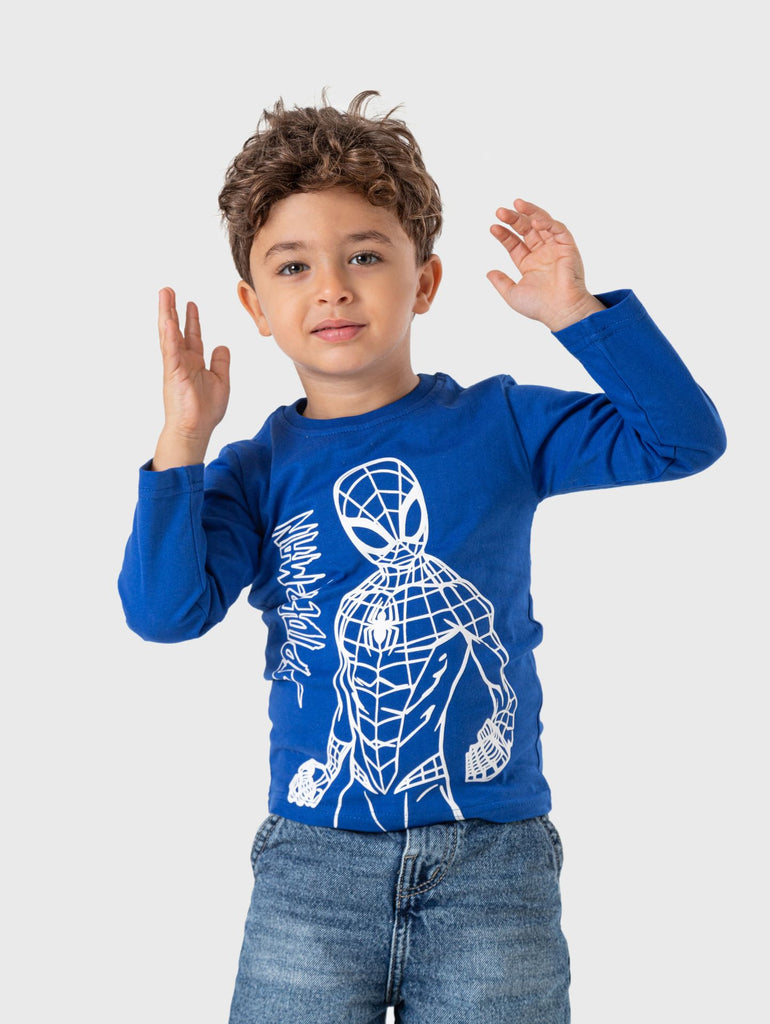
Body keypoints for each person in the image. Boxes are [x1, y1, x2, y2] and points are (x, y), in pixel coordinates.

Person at [118, 91, 726, 1023]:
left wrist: (577, 314)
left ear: (426, 281)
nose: (332, 287)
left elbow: (681, 440)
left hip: (491, 860)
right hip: (313, 865)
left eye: (366, 255)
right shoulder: (252, 471)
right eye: (294, 265)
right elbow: (166, 614)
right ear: (255, 306)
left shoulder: (501, 423)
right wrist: (182, 445)